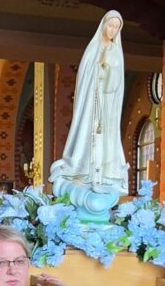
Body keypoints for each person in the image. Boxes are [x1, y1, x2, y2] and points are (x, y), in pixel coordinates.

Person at [50, 11, 127, 206]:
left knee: (106, 141)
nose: (112, 30)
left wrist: (109, 70)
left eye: (116, 27)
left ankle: (103, 176)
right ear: (104, 25)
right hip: (90, 104)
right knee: (86, 135)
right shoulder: (93, 48)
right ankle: (83, 171)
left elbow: (116, 83)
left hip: (107, 105)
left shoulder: (116, 52)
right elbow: (85, 78)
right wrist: (98, 70)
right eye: (110, 26)